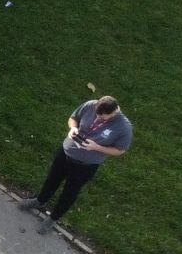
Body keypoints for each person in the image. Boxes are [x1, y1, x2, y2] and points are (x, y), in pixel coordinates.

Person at [32, 95, 131, 225]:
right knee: (52, 179)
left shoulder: (124, 127)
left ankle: (53, 218)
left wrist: (97, 147)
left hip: (85, 165)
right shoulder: (90, 105)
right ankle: (40, 201)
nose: (97, 118)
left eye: (102, 117)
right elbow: (73, 118)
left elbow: (120, 150)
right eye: (96, 114)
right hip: (66, 152)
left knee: (70, 191)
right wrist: (73, 128)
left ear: (114, 112)